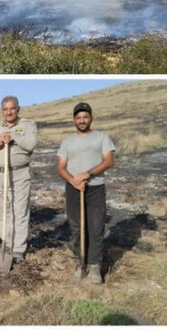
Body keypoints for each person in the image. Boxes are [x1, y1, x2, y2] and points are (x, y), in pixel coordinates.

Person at [56, 102, 116, 285]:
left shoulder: (101, 137)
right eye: (78, 117)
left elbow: (108, 161)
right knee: (76, 227)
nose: (82, 120)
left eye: (85, 117)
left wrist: (87, 174)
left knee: (96, 227)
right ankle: (80, 261)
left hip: (95, 187)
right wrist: (73, 180)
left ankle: (95, 266)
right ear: (74, 120)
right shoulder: (68, 141)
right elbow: (60, 167)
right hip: (74, 189)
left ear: (91, 118)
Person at [0, 95, 38, 264]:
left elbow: (31, 144)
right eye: (5, 109)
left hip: (19, 173)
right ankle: (6, 243)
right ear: (1, 111)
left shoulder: (28, 125)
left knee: (19, 211)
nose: (9, 112)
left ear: (18, 109)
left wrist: (13, 137)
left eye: (12, 108)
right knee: (1, 211)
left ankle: (18, 248)